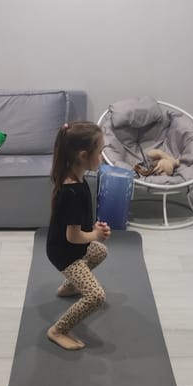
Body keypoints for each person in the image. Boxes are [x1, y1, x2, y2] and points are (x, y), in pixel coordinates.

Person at [46, 121, 111, 350]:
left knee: (100, 252)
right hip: (66, 253)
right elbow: (73, 237)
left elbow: (76, 222)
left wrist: (94, 228)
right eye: (100, 151)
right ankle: (58, 330)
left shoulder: (78, 176)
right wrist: (94, 234)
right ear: (83, 156)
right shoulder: (71, 190)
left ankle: (69, 287)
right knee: (96, 297)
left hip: (71, 246)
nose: (102, 157)